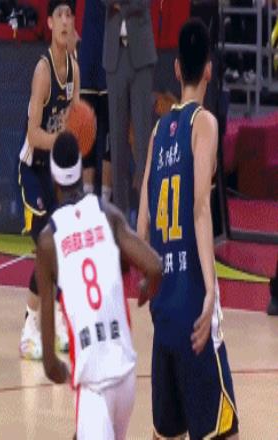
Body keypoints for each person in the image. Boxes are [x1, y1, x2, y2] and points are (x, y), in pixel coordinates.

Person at [137, 19, 239, 439]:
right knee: (222, 432)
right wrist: (211, 289)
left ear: (177, 68)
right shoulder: (205, 124)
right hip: (194, 308)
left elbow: (142, 218)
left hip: (163, 311)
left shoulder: (159, 129)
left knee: (166, 432)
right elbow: (199, 207)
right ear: (209, 69)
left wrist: (146, 276)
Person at [36, 131, 162, 439]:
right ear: (81, 170)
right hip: (126, 376)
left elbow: (50, 364)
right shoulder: (108, 215)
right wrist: (145, 290)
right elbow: (155, 267)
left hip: (94, 385)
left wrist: (63, 372)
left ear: (53, 179)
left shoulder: (49, 241)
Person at [17, 0, 80, 360]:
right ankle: (29, 331)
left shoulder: (74, 69)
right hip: (32, 167)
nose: (66, 21)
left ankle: (54, 324)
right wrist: (62, 141)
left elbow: (73, 121)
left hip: (55, 170)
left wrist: (75, 140)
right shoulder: (43, 72)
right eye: (60, 15)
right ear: (51, 23)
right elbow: (34, 134)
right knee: (46, 247)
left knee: (64, 247)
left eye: (70, 15)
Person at [103, 0, 157, 223]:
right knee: (117, 144)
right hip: (114, 56)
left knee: (143, 141)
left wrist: (121, 6)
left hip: (141, 56)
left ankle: (146, 218)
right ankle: (121, 220)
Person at [78, 0, 112, 202]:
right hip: (89, 51)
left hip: (111, 53)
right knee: (86, 127)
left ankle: (106, 200)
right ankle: (87, 197)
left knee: (109, 130)